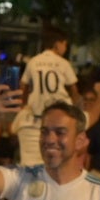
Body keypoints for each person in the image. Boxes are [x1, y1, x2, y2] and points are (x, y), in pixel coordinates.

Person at [14, 25, 79, 167]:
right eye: (65, 45)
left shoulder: (34, 61)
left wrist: (23, 106)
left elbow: (23, 85)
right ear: (57, 44)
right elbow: (74, 90)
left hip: (37, 116)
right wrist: (74, 109)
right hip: (60, 115)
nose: (65, 49)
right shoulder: (63, 63)